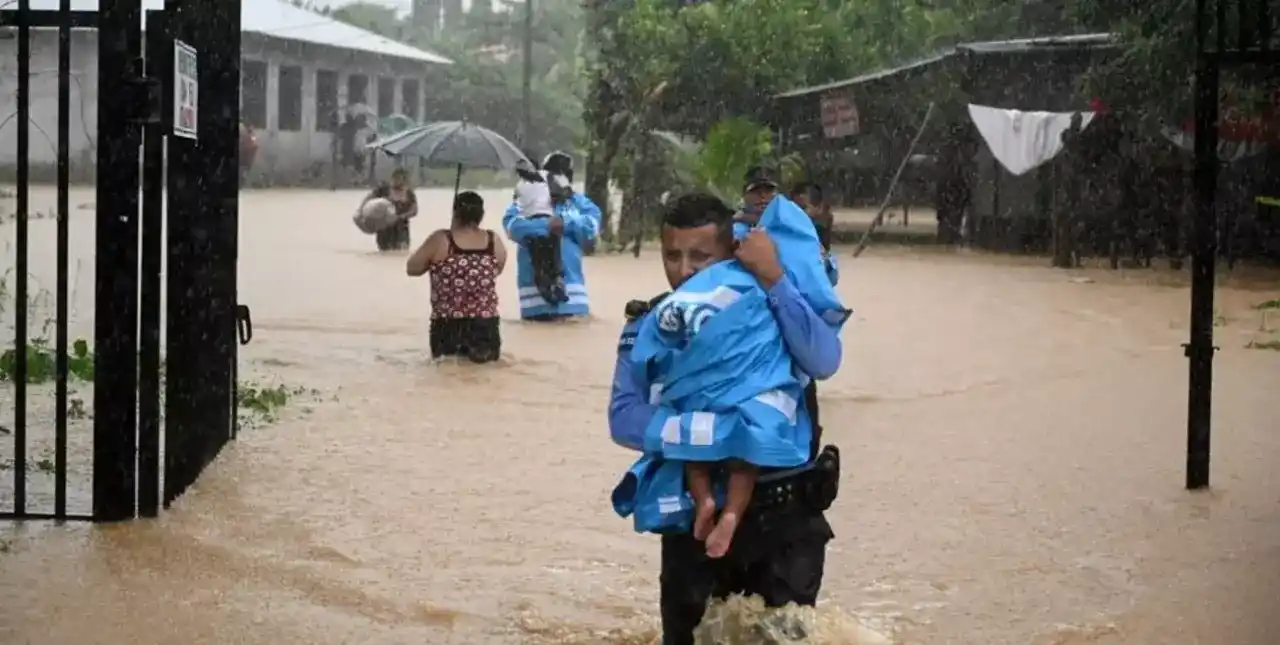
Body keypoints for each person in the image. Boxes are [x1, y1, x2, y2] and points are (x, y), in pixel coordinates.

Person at [609, 193, 847, 645]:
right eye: (672, 256)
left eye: (700, 257)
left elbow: (824, 360)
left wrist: (775, 279)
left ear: (731, 254)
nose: (684, 271)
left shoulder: (773, 304)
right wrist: (719, 435)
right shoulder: (653, 324)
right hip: (692, 528)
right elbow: (624, 418)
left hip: (785, 521)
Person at [405, 191, 507, 363]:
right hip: (486, 326)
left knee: (448, 375)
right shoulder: (493, 240)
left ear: (455, 213)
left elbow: (412, 268)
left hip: (448, 326)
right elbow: (498, 269)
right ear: (481, 215)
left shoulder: (441, 239)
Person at [502, 151, 602, 320]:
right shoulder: (525, 200)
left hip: (573, 299)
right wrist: (547, 225)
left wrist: (565, 222)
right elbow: (512, 227)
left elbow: (592, 225)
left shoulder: (578, 202)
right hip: (534, 303)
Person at [513, 158, 568, 305]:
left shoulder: (519, 186)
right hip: (549, 223)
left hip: (531, 225)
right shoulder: (545, 176)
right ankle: (558, 282)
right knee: (555, 258)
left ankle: (546, 292)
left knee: (538, 262)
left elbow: (516, 207)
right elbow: (560, 193)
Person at [788, 181, 840, 285]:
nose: (796, 212)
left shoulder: (816, 231)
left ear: (819, 208)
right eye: (792, 208)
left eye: (803, 208)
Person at [364, 168, 417, 251]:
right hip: (384, 229)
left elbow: (414, 210)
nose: (400, 182)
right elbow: (368, 201)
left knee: (401, 252)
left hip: (401, 229)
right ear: (393, 179)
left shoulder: (409, 193)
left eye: (403, 180)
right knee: (385, 252)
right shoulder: (382, 190)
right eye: (398, 178)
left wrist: (402, 216)